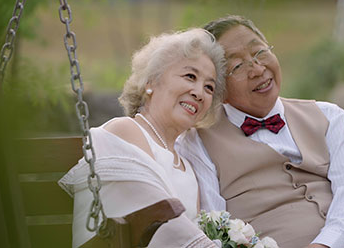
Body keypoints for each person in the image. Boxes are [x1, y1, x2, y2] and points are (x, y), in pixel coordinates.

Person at [176, 15, 344, 248]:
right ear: (218, 88)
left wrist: (326, 244)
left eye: (260, 52)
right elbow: (212, 227)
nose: (258, 69)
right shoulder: (199, 141)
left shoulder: (329, 116)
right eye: (237, 66)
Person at [58, 28, 226, 248]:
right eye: (190, 76)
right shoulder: (126, 131)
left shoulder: (187, 167)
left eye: (209, 87)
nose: (199, 92)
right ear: (151, 82)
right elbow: (160, 220)